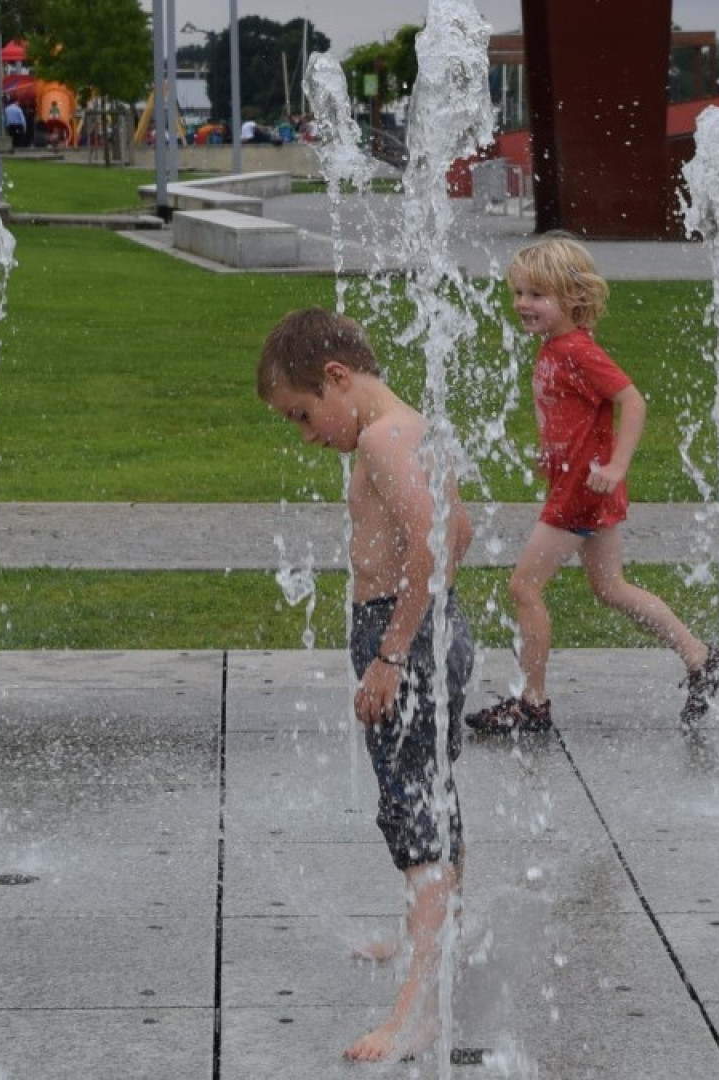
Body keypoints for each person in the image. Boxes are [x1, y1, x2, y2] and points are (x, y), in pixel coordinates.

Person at [257, 308, 476, 1063]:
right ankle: (429, 938)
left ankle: (418, 1010)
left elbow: (434, 543)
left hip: (404, 639)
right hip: (429, 631)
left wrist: (391, 653)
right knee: (430, 798)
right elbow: (460, 530)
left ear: (338, 378)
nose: (306, 434)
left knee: (414, 812)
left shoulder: (383, 440)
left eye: (303, 413)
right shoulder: (411, 428)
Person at [464, 233, 719, 737]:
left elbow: (633, 401)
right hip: (582, 484)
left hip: (582, 491)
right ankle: (699, 657)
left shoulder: (578, 351)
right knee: (610, 587)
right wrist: (554, 452)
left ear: (573, 298)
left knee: (524, 587)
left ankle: (532, 703)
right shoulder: (555, 347)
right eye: (518, 293)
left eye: (536, 295)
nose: (522, 304)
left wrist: (617, 465)